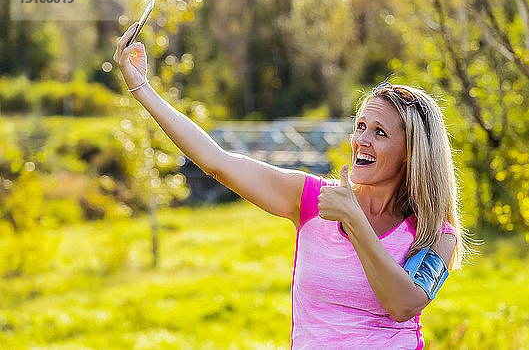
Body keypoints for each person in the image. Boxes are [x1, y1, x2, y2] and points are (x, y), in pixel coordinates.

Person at [114, 22, 465, 349]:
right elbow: (216, 161)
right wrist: (140, 86)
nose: (361, 140)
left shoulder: (434, 233)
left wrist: (355, 220)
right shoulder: (312, 200)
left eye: (380, 132)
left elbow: (404, 303)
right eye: (360, 126)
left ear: (411, 152)